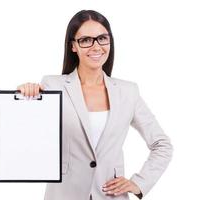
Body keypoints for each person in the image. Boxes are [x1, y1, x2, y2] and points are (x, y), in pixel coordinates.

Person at [17, 10, 173, 200]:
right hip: (65, 194)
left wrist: (139, 183)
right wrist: (26, 98)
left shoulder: (128, 91)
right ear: (73, 46)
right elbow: (31, 136)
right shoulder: (52, 86)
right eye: (85, 40)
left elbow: (162, 144)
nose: (96, 46)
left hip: (110, 194)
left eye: (102, 38)